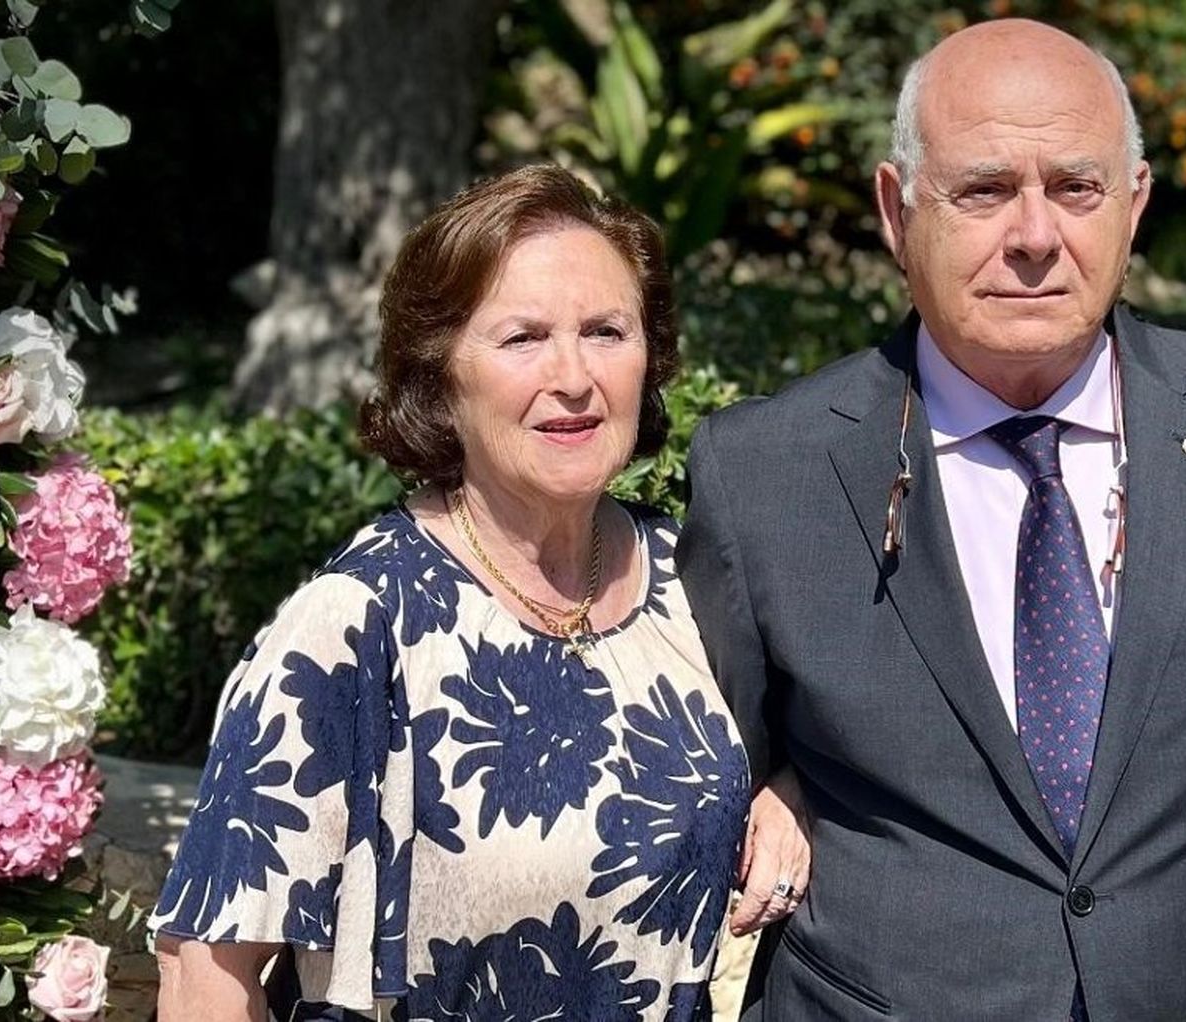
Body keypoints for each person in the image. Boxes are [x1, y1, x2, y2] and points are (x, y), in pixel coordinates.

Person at [678, 18, 1186, 1022]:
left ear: (1132, 205)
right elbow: (730, 755)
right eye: (984, 189)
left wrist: (1166, 860)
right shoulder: (766, 473)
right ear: (895, 207)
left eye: (1077, 188)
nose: (1036, 237)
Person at [152, 165, 750, 1021]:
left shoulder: (691, 578)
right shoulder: (357, 625)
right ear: (439, 373)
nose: (575, 376)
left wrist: (786, 796)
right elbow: (206, 973)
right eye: (522, 338)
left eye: (607, 331)